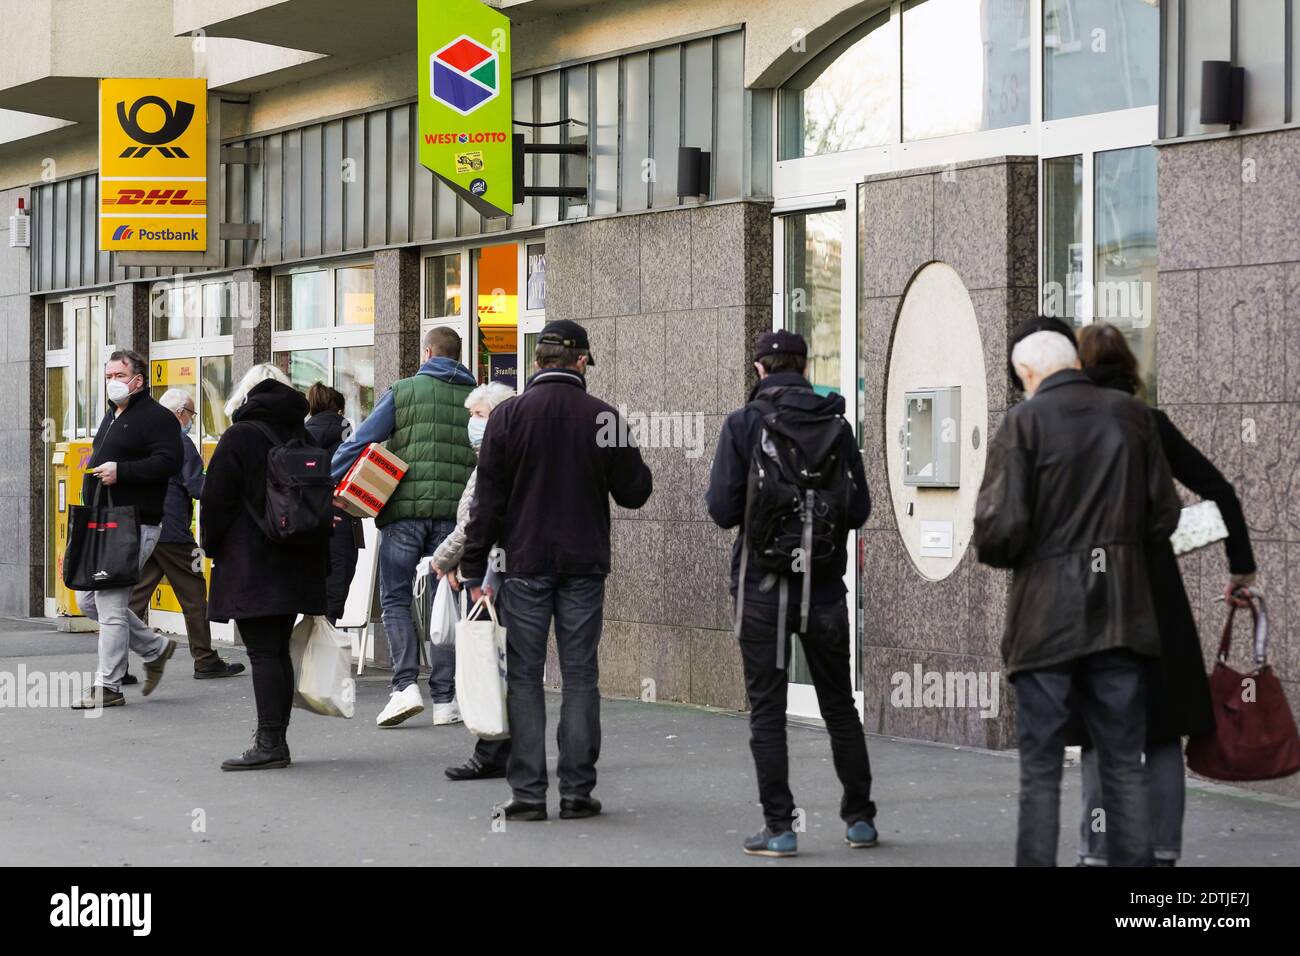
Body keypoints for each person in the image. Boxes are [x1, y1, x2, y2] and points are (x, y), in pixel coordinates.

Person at [974, 316, 1182, 867]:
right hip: (1122, 618)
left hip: (1046, 624)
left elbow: (997, 532)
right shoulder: (1135, 417)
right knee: (1121, 764)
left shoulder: (1023, 423)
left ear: (1027, 371)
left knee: (1040, 771)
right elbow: (1164, 515)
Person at [1074, 322, 1258, 867]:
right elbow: (1220, 489)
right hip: (1157, 599)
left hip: (1092, 597)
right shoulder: (1149, 424)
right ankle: (1162, 854)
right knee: (1160, 731)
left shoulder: (1068, 426)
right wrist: (1239, 566)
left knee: (1098, 735)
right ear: (1129, 368)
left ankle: (1097, 853)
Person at [460, 320, 652, 821]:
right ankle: (576, 792)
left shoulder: (507, 418)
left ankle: (526, 795)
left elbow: (487, 503)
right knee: (580, 674)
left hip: (522, 564)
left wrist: (476, 564)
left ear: (538, 361)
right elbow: (635, 492)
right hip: (584, 564)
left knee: (523, 677)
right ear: (581, 361)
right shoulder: (603, 417)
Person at [705, 329, 876, 858]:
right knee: (840, 706)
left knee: (767, 710)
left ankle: (780, 828)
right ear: (804, 366)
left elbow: (721, 509)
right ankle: (860, 820)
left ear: (759, 369)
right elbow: (861, 509)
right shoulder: (837, 424)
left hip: (762, 589)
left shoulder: (743, 423)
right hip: (823, 587)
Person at [331, 326, 477, 728]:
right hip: (451, 519)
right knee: (443, 605)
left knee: (395, 598)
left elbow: (361, 441)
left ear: (428, 353)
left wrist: (328, 479)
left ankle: (404, 687)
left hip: (405, 515)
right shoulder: (475, 398)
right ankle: (445, 700)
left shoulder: (404, 390)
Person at [202, 364, 331, 770]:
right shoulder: (302, 434)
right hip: (296, 558)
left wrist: (210, 546)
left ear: (245, 397)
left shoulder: (240, 436)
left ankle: (270, 743)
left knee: (263, 653)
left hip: (252, 562)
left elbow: (215, 500)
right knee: (276, 651)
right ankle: (275, 739)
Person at [70, 350, 184, 710]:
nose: (112, 382)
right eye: (107, 376)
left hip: (135, 523)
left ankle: (109, 685)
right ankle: (155, 647)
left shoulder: (157, 417)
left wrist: (123, 472)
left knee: (110, 604)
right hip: (104, 522)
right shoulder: (112, 414)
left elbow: (170, 461)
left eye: (119, 375)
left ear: (138, 380)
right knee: (88, 600)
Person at [429, 380, 515, 781]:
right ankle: (501, 747)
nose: (472, 424)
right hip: (496, 566)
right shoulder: (493, 457)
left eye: (478, 415)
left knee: (491, 660)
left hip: (494, 572)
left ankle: (494, 749)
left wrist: (442, 559)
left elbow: (472, 524)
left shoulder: (496, 461)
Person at [127, 388, 244, 679]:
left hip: (146, 527)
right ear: (181, 414)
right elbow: (196, 487)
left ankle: (116, 664)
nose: (192, 419)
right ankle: (205, 659)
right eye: (191, 413)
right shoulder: (180, 441)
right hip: (175, 533)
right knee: (194, 596)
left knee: (134, 600)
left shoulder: (144, 438)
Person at [305, 382, 360, 625]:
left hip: (308, 514)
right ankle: (328, 627)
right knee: (339, 570)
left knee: (313, 573)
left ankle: (313, 629)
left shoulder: (303, 433)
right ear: (339, 410)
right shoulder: (348, 433)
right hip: (342, 511)